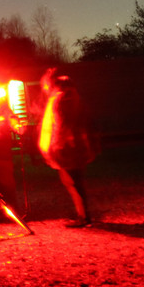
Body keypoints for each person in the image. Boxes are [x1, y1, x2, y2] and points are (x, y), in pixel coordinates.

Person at [38, 68, 96, 227]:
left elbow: (65, 124)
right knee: (71, 182)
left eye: (47, 84)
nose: (46, 88)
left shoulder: (65, 98)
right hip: (67, 147)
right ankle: (81, 215)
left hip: (68, 148)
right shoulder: (62, 97)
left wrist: (61, 145)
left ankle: (84, 217)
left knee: (74, 182)